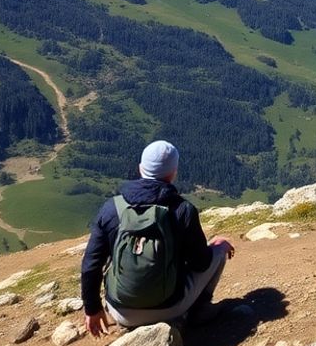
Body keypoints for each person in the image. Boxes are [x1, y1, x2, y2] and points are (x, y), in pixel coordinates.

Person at [81, 140, 235, 336]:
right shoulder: (183, 210)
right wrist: (215, 246)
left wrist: (92, 309)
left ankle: (132, 318)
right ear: (173, 173)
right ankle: (199, 310)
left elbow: (90, 264)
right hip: (171, 307)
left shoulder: (112, 208)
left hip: (120, 311)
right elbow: (201, 264)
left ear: (140, 168)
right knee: (219, 250)